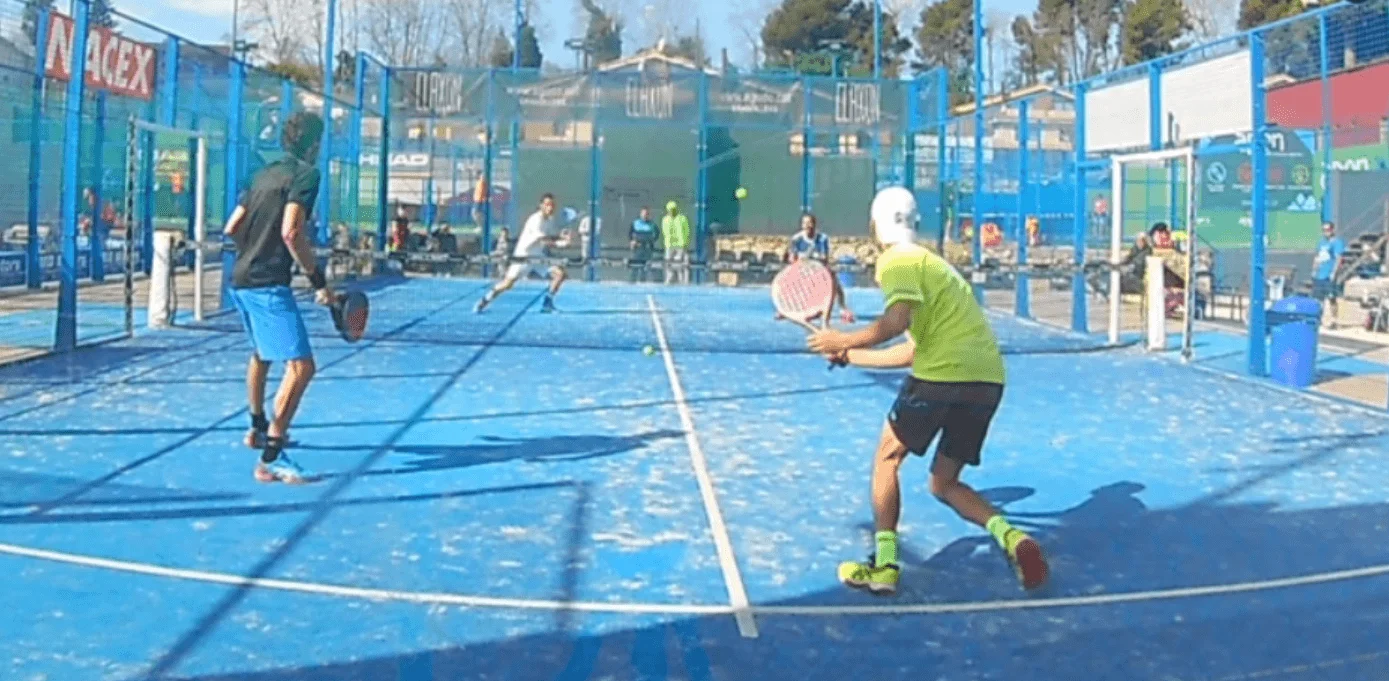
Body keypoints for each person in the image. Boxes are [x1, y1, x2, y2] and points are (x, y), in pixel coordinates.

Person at [807, 186, 1048, 596]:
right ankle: (1015, 540)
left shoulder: (895, 261)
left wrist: (843, 337)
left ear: (875, 223)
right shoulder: (936, 266)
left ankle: (884, 566)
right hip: (986, 380)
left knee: (887, 458)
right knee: (944, 484)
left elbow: (896, 321)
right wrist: (849, 354)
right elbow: (913, 350)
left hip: (942, 377)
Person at [221, 111, 332, 485]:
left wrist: (252, 252)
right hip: (268, 284)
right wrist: (318, 280)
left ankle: (256, 428)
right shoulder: (306, 175)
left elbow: (232, 227)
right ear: (314, 144)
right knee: (302, 367)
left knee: (262, 355)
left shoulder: (259, 176)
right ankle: (272, 455)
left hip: (239, 280)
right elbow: (291, 232)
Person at [474, 193, 569, 314]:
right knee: (507, 284)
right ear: (541, 206)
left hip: (538, 256)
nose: (550, 207)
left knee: (560, 274)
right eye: (547, 205)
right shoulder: (535, 219)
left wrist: (562, 238)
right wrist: (560, 242)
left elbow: (550, 237)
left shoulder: (550, 220)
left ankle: (547, 304)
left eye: (552, 205)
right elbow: (544, 239)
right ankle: (485, 300)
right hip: (523, 257)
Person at [785, 212, 854, 323]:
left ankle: (843, 309)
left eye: (809, 223)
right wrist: (801, 263)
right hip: (802, 271)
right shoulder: (796, 239)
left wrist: (811, 261)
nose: (807, 226)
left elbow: (824, 259)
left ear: (814, 225)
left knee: (835, 282)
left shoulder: (822, 238)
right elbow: (792, 259)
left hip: (819, 270)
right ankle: (787, 309)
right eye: (804, 223)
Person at [1312, 221, 1346, 329]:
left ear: (1332, 230)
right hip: (1320, 274)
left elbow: (1338, 258)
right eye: (1324, 230)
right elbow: (1317, 257)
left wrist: (1333, 273)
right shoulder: (1321, 243)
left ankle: (1334, 320)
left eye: (1327, 230)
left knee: (1332, 298)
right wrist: (1314, 269)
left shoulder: (1336, 242)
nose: (1325, 232)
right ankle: (1318, 318)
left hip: (1329, 273)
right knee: (1319, 299)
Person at [662, 201, 691, 285]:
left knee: (680, 264)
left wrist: (685, 243)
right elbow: (665, 231)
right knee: (668, 264)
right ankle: (668, 280)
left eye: (673, 209)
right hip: (669, 245)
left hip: (680, 245)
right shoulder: (665, 219)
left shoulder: (682, 218)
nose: (671, 211)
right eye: (670, 210)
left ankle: (682, 282)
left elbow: (686, 231)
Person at [629, 206, 658, 283]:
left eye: (647, 214)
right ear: (640, 214)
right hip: (637, 248)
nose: (645, 215)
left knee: (645, 267)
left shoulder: (652, 225)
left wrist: (652, 242)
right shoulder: (635, 223)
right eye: (644, 214)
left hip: (647, 248)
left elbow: (657, 234)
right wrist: (632, 241)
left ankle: (642, 282)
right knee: (635, 266)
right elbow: (630, 233)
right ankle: (632, 282)